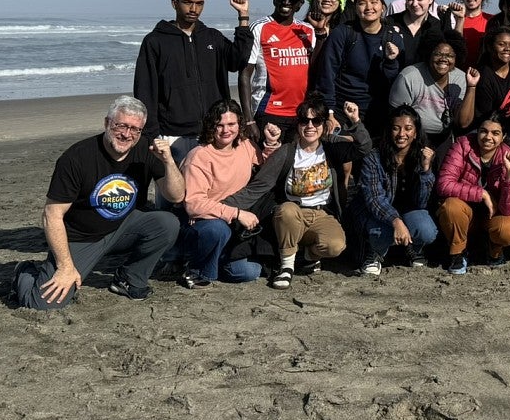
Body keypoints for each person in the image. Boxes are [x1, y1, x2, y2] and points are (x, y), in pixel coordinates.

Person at [13, 96, 183, 309]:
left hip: (122, 227)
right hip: (82, 237)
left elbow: (176, 196)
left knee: (167, 223)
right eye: (120, 126)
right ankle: (25, 271)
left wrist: (168, 162)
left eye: (134, 129)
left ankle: (129, 279)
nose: (126, 134)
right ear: (107, 123)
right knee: (43, 303)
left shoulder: (147, 150)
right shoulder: (77, 158)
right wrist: (66, 267)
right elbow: (52, 215)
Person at [240, 93, 373, 288]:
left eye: (316, 120)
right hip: (292, 214)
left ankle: (306, 256)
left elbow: (364, 147)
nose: (310, 126)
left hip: (321, 213)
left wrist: (355, 120)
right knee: (286, 210)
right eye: (305, 120)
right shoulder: (287, 152)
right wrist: (225, 208)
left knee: (336, 246)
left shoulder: (331, 147)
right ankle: (286, 267)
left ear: (323, 124)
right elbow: (257, 187)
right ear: (298, 124)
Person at [133, 0, 253, 139]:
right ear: (174, 3)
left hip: (215, 131)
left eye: (199, 3)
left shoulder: (212, 37)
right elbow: (145, 91)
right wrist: (151, 135)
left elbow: (237, 61)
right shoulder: (155, 41)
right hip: (173, 134)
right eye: (187, 2)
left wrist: (243, 16)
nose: (193, 9)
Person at [176, 99, 266, 287]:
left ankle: (218, 261)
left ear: (239, 124)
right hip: (201, 222)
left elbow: (265, 167)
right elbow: (194, 205)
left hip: (232, 223)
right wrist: (237, 213)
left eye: (231, 124)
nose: (226, 131)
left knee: (251, 272)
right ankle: (197, 269)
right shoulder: (200, 156)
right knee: (217, 230)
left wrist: (272, 145)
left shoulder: (245, 145)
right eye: (220, 125)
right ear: (211, 126)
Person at [351, 105, 438, 276]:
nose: (401, 134)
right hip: (376, 213)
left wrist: (425, 170)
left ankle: (413, 248)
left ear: (415, 132)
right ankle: (375, 253)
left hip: (407, 211)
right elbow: (374, 199)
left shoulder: (422, 156)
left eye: (408, 128)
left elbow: (422, 202)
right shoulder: (374, 156)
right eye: (396, 128)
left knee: (426, 230)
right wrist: (396, 221)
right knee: (382, 232)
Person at [435, 118, 510, 273]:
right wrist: (482, 193)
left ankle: (494, 251)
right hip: (465, 209)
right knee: (450, 207)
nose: (488, 137)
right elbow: (443, 184)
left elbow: (509, 209)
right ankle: (458, 253)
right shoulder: (463, 145)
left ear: (503, 137)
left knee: (508, 229)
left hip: (493, 215)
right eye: (484, 131)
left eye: (495, 133)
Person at [240, 0, 316, 141]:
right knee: (267, 163)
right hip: (268, 110)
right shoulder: (259, 27)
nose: (286, 2)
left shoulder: (308, 30)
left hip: (300, 113)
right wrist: (248, 120)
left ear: (300, 4)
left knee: (295, 163)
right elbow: (245, 74)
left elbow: (315, 69)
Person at [315, 0, 392, 133]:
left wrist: (391, 61)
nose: (368, 7)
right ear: (356, 9)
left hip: (376, 115)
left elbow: (393, 80)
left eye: (374, 2)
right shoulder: (343, 33)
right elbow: (327, 74)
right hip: (341, 111)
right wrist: (329, 113)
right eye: (362, 3)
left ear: (383, 7)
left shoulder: (392, 37)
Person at [389, 40, 469, 147]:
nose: (443, 59)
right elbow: (395, 116)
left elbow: (463, 122)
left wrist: (472, 87)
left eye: (449, 55)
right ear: (428, 55)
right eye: (437, 54)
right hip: (413, 138)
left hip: (445, 137)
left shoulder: (462, 79)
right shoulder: (409, 76)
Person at [467, 27, 510, 134]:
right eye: (502, 44)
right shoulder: (483, 77)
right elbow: (487, 120)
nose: (507, 48)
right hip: (490, 128)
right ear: (490, 47)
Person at [450, 0, 492, 66]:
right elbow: (454, 48)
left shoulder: (492, 21)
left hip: (484, 74)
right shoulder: (452, 19)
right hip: (457, 73)